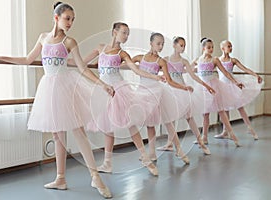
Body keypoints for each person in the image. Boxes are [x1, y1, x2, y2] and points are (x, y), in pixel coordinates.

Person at [0, 2, 113, 198]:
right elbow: (27, 59)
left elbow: (82, 68)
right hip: (49, 89)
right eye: (67, 18)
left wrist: (102, 84)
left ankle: (95, 176)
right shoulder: (43, 38)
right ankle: (60, 178)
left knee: (78, 131)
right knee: (57, 135)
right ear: (56, 17)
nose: (70, 22)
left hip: (66, 86)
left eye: (72, 19)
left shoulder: (70, 42)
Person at [83, 22, 164, 176]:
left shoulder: (122, 54)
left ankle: (146, 158)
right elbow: (82, 63)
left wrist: (156, 77)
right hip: (103, 90)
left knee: (130, 123)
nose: (126, 36)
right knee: (108, 127)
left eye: (128, 34)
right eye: (124, 32)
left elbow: (136, 70)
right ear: (114, 32)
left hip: (119, 89)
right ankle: (107, 163)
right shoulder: (100, 48)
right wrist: (63, 61)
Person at [132, 33, 193, 164]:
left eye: (162, 44)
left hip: (157, 91)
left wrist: (184, 87)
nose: (160, 46)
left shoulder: (161, 61)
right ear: (151, 43)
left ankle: (180, 150)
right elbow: (125, 64)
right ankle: (152, 153)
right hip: (142, 91)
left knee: (168, 122)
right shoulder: (139, 58)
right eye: (158, 43)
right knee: (149, 123)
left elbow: (169, 80)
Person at [157, 36, 214, 155]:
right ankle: (169, 144)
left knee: (189, 117)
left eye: (184, 46)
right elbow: (159, 72)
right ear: (174, 45)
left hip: (182, 90)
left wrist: (206, 85)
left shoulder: (184, 61)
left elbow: (193, 76)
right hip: (170, 90)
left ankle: (201, 143)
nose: (183, 48)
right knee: (170, 118)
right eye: (181, 45)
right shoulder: (165, 60)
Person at [191, 37, 244, 147]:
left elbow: (225, 73)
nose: (211, 49)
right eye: (209, 47)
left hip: (214, 87)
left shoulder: (215, 60)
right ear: (203, 48)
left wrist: (235, 82)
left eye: (212, 47)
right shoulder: (197, 60)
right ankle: (204, 137)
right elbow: (189, 69)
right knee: (205, 114)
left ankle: (232, 135)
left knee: (221, 111)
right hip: (202, 88)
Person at [214, 40, 263, 140]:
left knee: (240, 107)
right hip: (222, 86)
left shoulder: (233, 61)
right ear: (222, 48)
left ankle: (249, 127)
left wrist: (255, 75)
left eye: (231, 46)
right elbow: (207, 69)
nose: (231, 48)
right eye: (229, 46)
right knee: (225, 109)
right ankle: (225, 131)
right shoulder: (217, 60)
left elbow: (244, 69)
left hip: (233, 85)